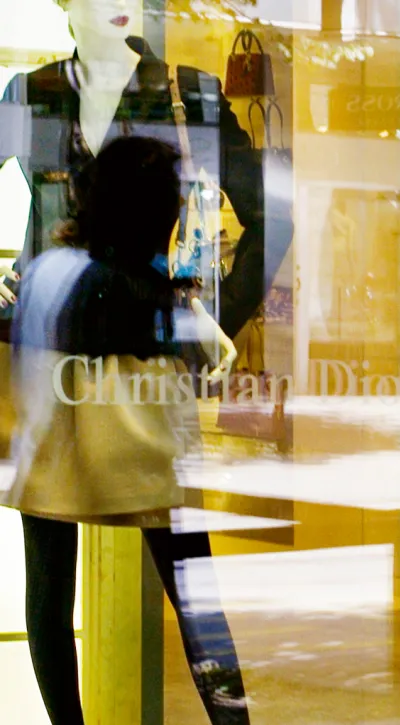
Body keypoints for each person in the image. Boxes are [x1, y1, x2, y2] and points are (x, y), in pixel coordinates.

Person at [4, 136, 249, 725]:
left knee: (54, 585)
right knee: (188, 592)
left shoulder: (54, 271)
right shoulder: (142, 287)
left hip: (65, 403)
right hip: (122, 411)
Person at [0, 0, 292, 340]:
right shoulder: (32, 93)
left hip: (144, 339)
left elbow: (273, 217)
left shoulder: (187, 95)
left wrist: (219, 316)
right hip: (40, 333)